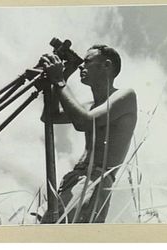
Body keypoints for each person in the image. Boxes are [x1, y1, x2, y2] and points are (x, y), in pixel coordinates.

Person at [39, 45, 137, 223]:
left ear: (106, 65)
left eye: (87, 62)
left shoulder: (126, 96)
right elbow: (49, 117)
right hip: (74, 180)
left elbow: (84, 122)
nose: (81, 67)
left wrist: (59, 81)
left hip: (94, 180)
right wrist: (64, 74)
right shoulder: (90, 105)